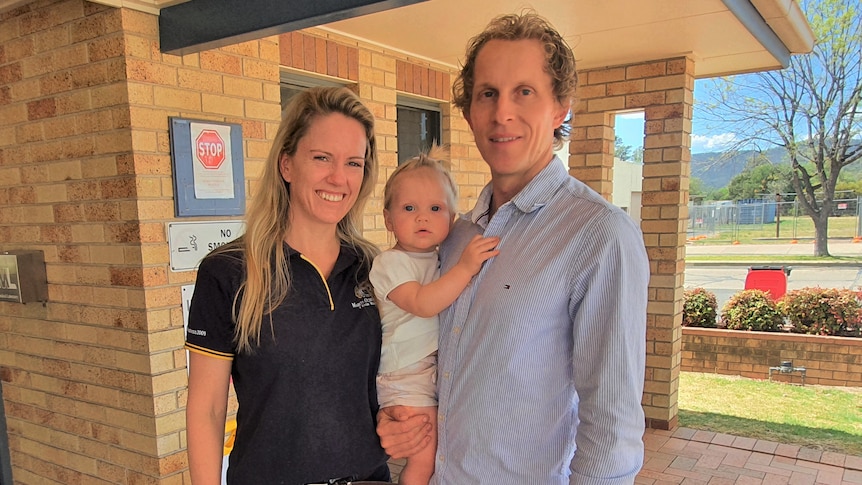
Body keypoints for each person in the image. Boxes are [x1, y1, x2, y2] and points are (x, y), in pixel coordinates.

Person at [377, 12, 650, 484]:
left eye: (524, 91)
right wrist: (395, 419)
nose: (503, 113)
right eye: (488, 94)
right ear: (468, 112)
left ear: (561, 107)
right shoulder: (455, 235)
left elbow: (611, 421)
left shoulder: (599, 235)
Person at [185, 87, 392, 485]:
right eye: (321, 158)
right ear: (287, 164)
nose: (339, 177)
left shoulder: (375, 268)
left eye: (353, 163)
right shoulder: (229, 272)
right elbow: (208, 409)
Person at [369, 149, 499, 485]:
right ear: (388, 219)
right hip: (404, 374)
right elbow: (424, 303)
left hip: (426, 371)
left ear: (453, 218)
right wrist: (467, 268)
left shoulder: (439, 258)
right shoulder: (390, 263)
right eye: (409, 208)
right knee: (425, 459)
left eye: (435, 209)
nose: (422, 217)